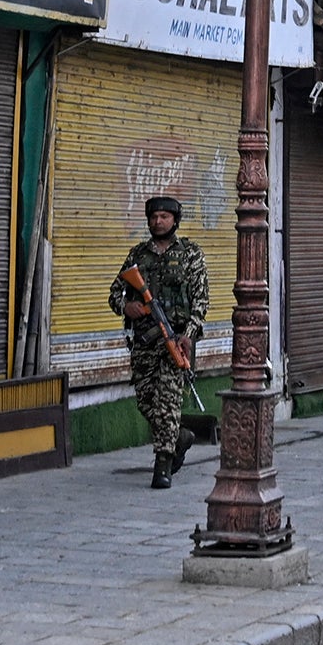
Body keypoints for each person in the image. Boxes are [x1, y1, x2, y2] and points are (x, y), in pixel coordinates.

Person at [113, 194, 211, 489]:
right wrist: (126, 307)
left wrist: (189, 335)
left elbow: (201, 301)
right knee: (146, 403)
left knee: (168, 402)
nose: (158, 221)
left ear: (175, 221)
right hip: (144, 342)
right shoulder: (137, 256)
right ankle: (180, 437)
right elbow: (115, 293)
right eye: (154, 217)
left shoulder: (191, 254)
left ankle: (163, 465)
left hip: (175, 340)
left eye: (164, 217)